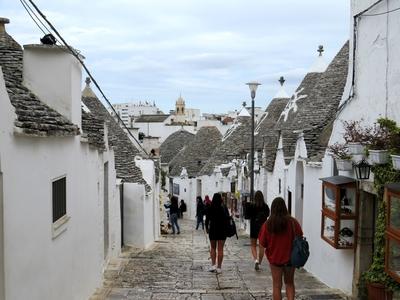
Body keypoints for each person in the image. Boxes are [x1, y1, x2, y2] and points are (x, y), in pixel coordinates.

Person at [259, 197, 303, 300]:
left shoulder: (267, 224)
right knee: (289, 283)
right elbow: (300, 236)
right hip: (290, 259)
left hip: (275, 259)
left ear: (272, 208)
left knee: (277, 285)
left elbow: (263, 243)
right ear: (285, 207)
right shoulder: (293, 222)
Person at [205, 193, 229, 274]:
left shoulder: (210, 208)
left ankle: (213, 265)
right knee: (220, 249)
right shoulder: (224, 208)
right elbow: (227, 219)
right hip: (222, 231)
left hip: (213, 230)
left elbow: (207, 220)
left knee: (213, 248)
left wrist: (206, 228)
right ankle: (219, 267)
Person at [249, 190, 270, 270]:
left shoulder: (252, 206)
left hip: (253, 227)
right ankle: (260, 263)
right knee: (262, 246)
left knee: (253, 245)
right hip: (262, 227)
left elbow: (247, 215)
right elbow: (268, 215)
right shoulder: (265, 206)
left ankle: (256, 260)